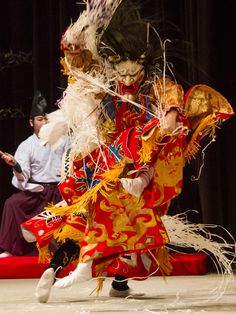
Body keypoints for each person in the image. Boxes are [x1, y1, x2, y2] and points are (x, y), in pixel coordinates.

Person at [22, 0, 234, 303]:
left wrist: (168, 124)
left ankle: (97, 278)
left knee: (114, 225)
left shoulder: (157, 86)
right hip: (111, 162)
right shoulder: (106, 83)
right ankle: (77, 265)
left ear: (142, 65)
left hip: (136, 163)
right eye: (121, 69)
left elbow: (172, 110)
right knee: (106, 220)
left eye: (132, 70)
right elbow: (76, 63)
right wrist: (76, 36)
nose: (126, 76)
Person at [0, 90, 70, 258]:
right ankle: (13, 248)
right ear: (31, 122)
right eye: (40, 119)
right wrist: (16, 165)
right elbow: (22, 175)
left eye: (47, 119)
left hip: (61, 191)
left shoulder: (64, 140)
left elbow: (71, 163)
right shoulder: (27, 145)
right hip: (39, 192)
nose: (44, 123)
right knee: (12, 204)